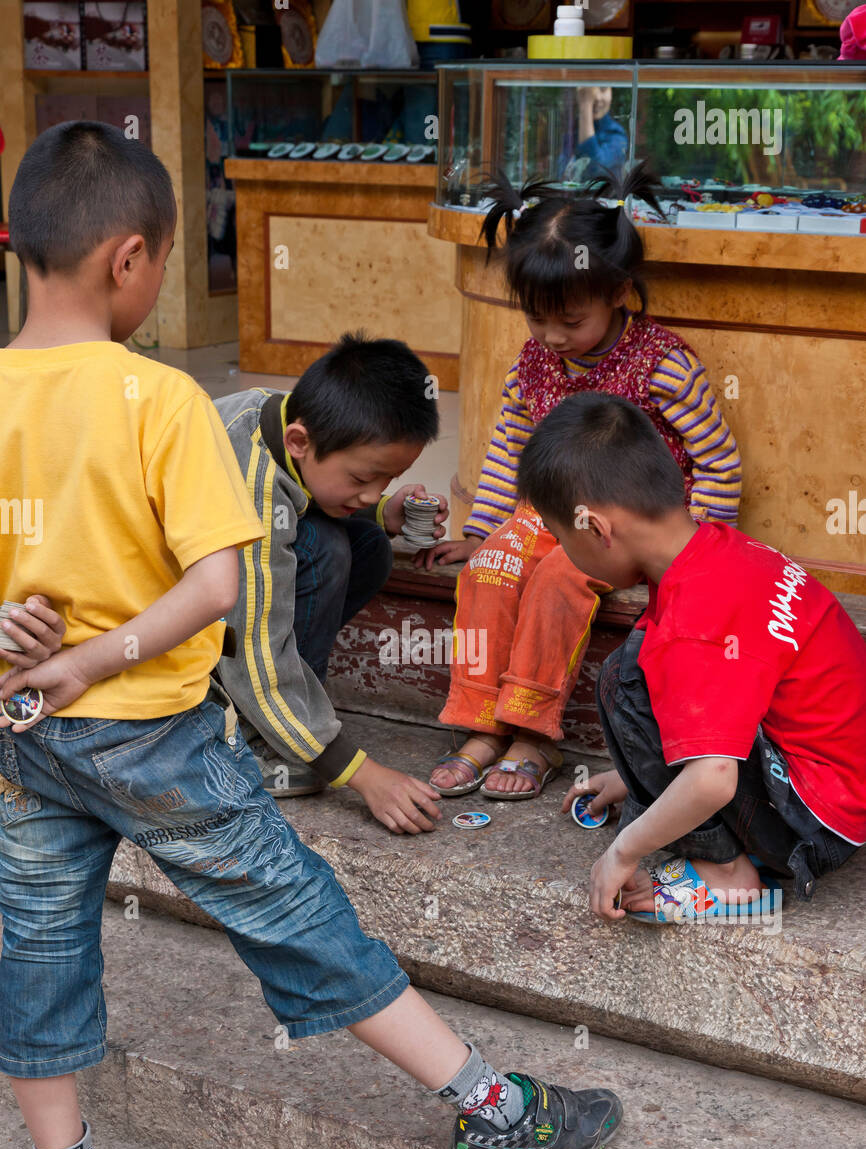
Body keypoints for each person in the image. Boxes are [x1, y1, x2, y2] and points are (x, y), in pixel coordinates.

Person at [0, 122, 624, 1149]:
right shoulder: (160, 401)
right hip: (148, 736)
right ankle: (493, 1108)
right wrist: (103, 654)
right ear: (130, 260)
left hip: (25, 736)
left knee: (35, 949)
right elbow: (218, 585)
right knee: (298, 913)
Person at [423, 164, 742, 803]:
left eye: (569, 320)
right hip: (551, 516)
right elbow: (508, 445)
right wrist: (483, 532)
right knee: (490, 568)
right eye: (538, 320)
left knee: (556, 580)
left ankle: (532, 732)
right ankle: (482, 721)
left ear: (619, 292)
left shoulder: (663, 366)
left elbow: (720, 464)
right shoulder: (535, 360)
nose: (551, 337)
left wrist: (686, 559)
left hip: (629, 527)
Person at [516, 392, 866, 922]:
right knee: (644, 663)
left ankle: (726, 874)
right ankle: (682, 816)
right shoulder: (721, 550)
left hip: (812, 820)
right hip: (840, 791)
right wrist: (634, 779)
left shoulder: (692, 623)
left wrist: (624, 851)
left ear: (596, 528)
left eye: (562, 537)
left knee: (625, 679)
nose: (566, 552)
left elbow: (713, 778)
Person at [213, 334, 448, 836]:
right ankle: (253, 735)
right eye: (364, 478)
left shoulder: (280, 421)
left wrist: (384, 511)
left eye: (386, 480)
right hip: (161, 624)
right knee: (326, 550)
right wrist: (359, 772)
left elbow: (307, 492)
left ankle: (291, 713)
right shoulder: (250, 488)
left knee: (368, 544)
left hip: (218, 599)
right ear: (299, 441)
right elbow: (249, 647)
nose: (372, 491)